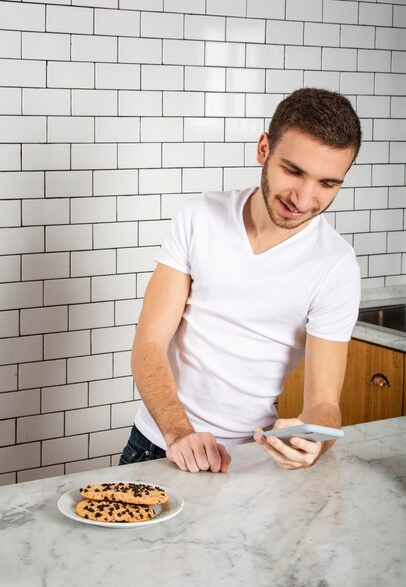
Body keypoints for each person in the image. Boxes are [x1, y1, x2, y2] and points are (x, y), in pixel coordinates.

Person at [119, 87, 362, 473]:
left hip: (251, 460)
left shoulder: (336, 265)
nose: (303, 198)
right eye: (293, 171)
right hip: (159, 445)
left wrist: (314, 439)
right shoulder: (199, 217)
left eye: (327, 183)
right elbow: (148, 344)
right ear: (263, 149)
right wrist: (179, 433)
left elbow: (325, 405)